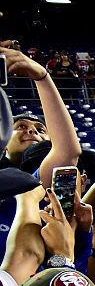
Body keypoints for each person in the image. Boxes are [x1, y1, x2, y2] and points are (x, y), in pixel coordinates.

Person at [0, 45, 81, 187]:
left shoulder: (33, 181)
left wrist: (42, 77)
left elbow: (67, 153)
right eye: (21, 126)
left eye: (41, 130)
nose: (32, 131)